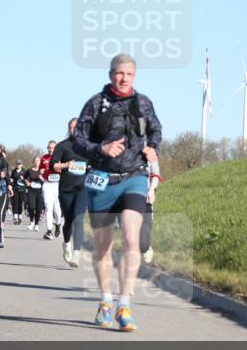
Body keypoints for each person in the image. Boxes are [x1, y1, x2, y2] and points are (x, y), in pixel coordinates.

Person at [73, 53, 162, 332]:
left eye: (129, 74)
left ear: (135, 76)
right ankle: (106, 301)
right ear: (110, 74)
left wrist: (152, 148)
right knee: (103, 247)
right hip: (102, 179)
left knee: (132, 237)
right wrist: (100, 149)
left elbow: (157, 130)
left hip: (133, 177)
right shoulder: (96, 104)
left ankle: (125, 304)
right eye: (118, 73)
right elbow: (78, 139)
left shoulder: (143, 103)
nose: (123, 78)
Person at [50, 118, 90, 268]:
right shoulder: (62, 146)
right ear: (69, 129)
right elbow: (53, 165)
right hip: (66, 189)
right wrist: (66, 164)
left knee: (78, 220)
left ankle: (77, 254)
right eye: (72, 127)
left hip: (83, 188)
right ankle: (66, 243)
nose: (75, 130)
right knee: (68, 220)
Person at [39, 140, 63, 239]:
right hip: (47, 184)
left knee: (57, 208)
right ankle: (49, 230)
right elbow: (40, 171)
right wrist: (42, 172)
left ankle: (57, 224)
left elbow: (62, 170)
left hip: (57, 184)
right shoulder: (44, 158)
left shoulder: (60, 158)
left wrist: (54, 169)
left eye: (52, 148)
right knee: (48, 207)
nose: (50, 149)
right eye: (49, 147)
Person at [24, 156, 44, 231]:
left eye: (38, 160)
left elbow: (46, 179)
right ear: (33, 161)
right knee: (31, 207)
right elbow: (24, 178)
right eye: (35, 160)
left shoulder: (42, 171)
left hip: (40, 191)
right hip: (31, 190)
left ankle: (36, 224)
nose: (37, 162)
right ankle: (31, 222)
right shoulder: (29, 170)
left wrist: (42, 178)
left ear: (40, 162)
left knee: (39, 209)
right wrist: (27, 182)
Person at [9, 159, 28, 224]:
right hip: (15, 189)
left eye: (19, 164)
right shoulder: (13, 171)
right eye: (17, 164)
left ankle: (20, 217)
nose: (18, 165)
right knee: (15, 203)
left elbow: (27, 181)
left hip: (22, 189)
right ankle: (15, 217)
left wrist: (24, 179)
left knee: (20, 203)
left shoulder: (24, 171)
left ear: (22, 165)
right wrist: (11, 181)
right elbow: (11, 178)